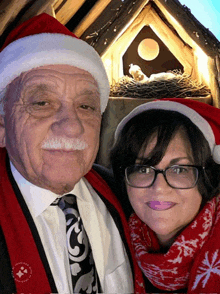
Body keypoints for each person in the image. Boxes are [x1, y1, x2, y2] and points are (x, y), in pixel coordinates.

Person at [0, 13, 142, 294]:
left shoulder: (132, 196)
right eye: (42, 102)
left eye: (86, 106)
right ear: (2, 125)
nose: (73, 127)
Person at [111, 98, 220, 293]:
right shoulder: (111, 236)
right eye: (143, 169)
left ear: (208, 177)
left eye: (179, 170)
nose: (159, 187)